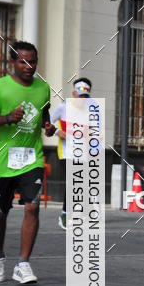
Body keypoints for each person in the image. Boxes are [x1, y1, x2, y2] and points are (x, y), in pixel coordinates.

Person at [0, 41, 56, 285]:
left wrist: (48, 126)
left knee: (32, 207)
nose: (28, 66)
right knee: (0, 212)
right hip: (2, 160)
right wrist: (8, 118)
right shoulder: (0, 88)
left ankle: (23, 264)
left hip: (32, 158)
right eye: (22, 61)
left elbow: (44, 113)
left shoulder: (43, 88)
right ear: (13, 62)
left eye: (32, 61)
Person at [51, 77, 92, 230]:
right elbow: (46, 122)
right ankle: (64, 214)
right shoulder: (63, 108)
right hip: (66, 153)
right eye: (80, 95)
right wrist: (56, 131)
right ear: (74, 93)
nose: (82, 99)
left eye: (85, 97)